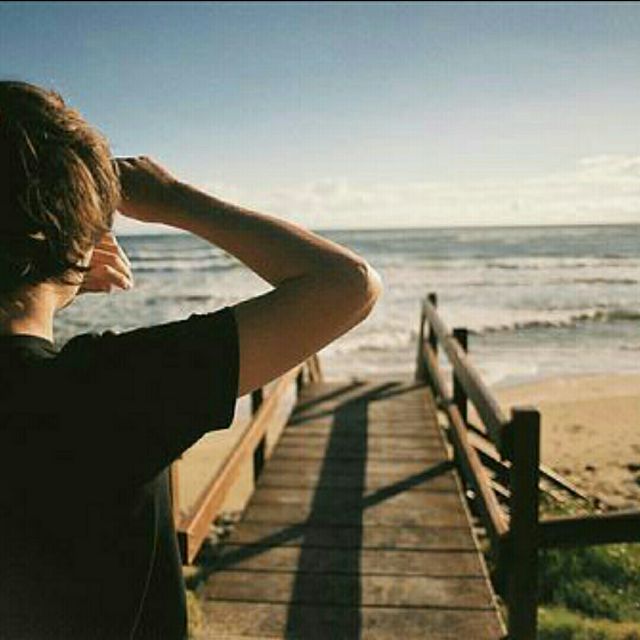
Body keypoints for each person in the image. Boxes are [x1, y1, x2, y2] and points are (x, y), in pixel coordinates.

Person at [0, 81, 383, 639]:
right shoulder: (103, 393)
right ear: (71, 237)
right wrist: (175, 199)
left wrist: (59, 275)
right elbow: (348, 285)